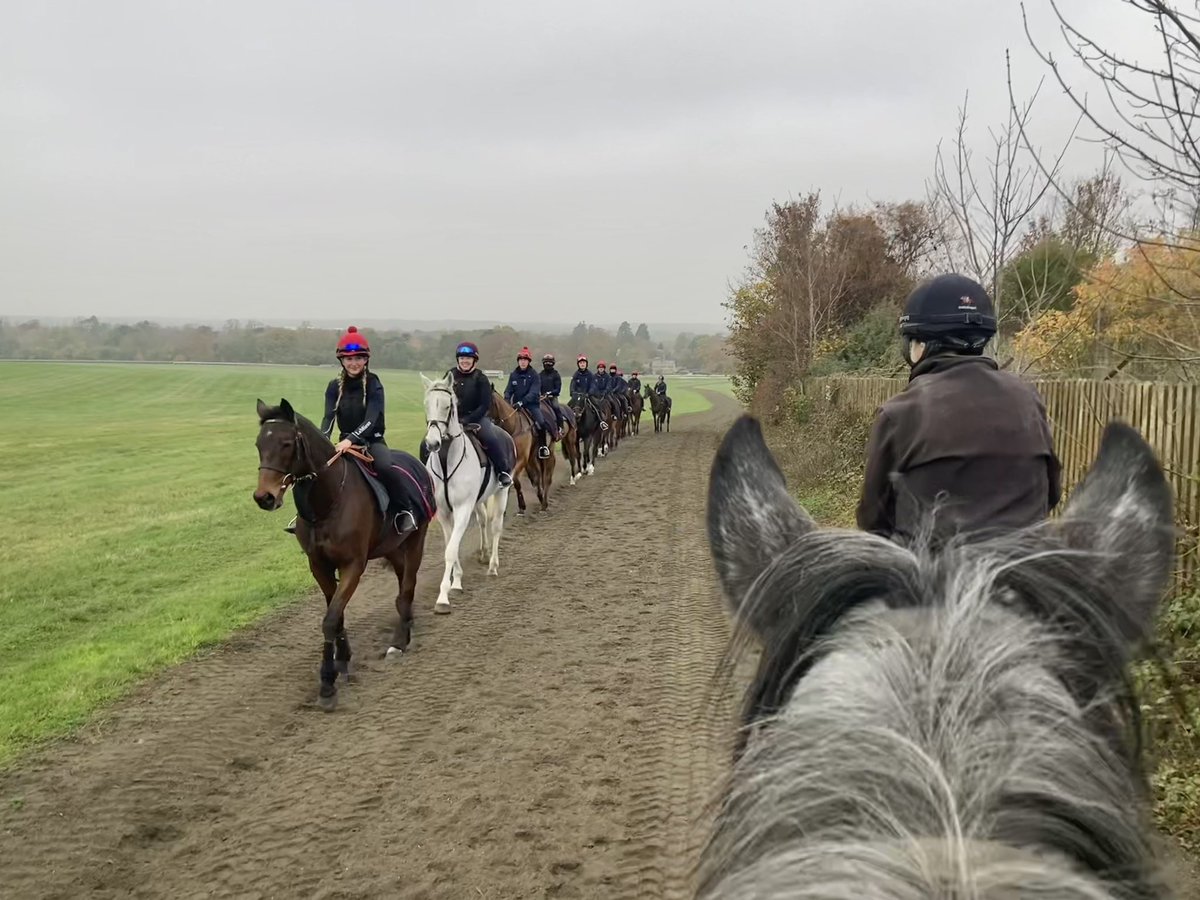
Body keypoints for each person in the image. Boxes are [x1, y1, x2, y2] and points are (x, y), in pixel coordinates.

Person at [856, 273, 1062, 546]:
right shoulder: (1028, 399)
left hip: (932, 582)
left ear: (919, 345)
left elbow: (873, 521)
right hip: (1028, 576)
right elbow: (1051, 494)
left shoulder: (901, 414)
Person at [286, 325, 417, 536]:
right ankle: (303, 517)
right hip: (342, 443)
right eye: (349, 359)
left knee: (385, 467)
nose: (353, 363)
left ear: (366, 360)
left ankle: (405, 510)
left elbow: (372, 418)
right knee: (310, 471)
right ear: (342, 361)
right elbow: (329, 417)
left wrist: (352, 439)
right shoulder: (333, 386)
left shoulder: (374, 383)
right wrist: (322, 441)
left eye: (358, 358)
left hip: (372, 441)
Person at [449, 341, 514, 486]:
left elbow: (484, 405)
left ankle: (503, 471)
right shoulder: (450, 375)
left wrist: (467, 420)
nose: (464, 361)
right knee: (429, 442)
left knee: (490, 438)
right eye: (462, 358)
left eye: (468, 358)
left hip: (476, 419)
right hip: (453, 420)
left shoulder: (481, 379)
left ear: (474, 360)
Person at [505, 347, 553, 459]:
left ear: (528, 361)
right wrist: (507, 400)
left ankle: (543, 447)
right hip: (516, 405)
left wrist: (522, 402)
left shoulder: (534, 375)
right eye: (520, 359)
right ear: (518, 361)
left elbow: (534, 392)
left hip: (531, 405)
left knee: (541, 423)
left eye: (525, 360)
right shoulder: (513, 375)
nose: (522, 362)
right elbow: (508, 390)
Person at [540, 352, 566, 439]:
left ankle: (560, 428)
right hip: (541, 398)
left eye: (549, 362)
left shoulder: (556, 375)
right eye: (546, 362)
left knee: (556, 409)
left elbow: (557, 389)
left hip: (552, 397)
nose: (547, 364)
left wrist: (550, 393)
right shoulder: (540, 375)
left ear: (553, 363)